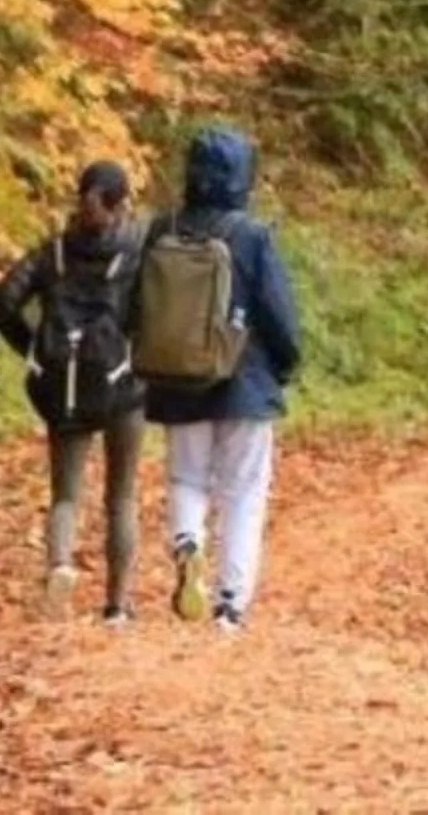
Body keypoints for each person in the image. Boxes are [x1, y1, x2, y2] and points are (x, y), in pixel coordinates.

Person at [136, 125, 302, 634]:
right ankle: (230, 604)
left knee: (187, 477)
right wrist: (286, 364)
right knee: (243, 493)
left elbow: (139, 305)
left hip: (176, 380)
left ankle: (188, 541)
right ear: (241, 175)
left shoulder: (161, 228)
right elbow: (278, 314)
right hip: (243, 382)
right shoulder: (251, 236)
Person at [0, 159, 146, 625]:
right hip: (122, 384)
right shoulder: (135, 253)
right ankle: (117, 606)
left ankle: (59, 564)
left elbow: (2, 301)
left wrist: (33, 349)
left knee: (66, 494)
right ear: (123, 205)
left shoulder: (53, 252)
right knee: (122, 496)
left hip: (66, 385)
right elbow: (151, 312)